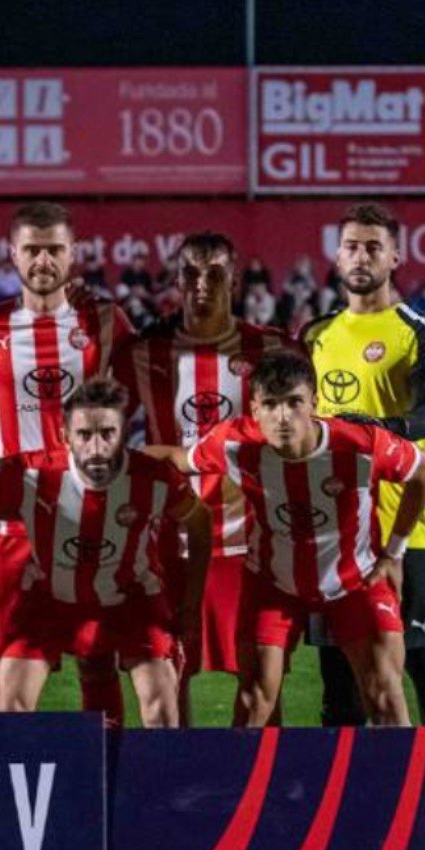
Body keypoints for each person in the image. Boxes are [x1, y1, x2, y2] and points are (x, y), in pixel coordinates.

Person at [0, 379, 208, 725]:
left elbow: (199, 520)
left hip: (130, 600)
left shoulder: (152, 477)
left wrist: (191, 602)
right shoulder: (35, 472)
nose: (97, 447)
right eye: (85, 434)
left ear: (124, 434)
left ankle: (152, 778)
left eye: (108, 433)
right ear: (64, 435)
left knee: (161, 706)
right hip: (50, 601)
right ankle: (21, 777)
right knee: (12, 699)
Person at [152, 352, 425, 727]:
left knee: (384, 696)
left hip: (356, 580)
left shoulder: (360, 445)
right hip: (273, 583)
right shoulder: (234, 443)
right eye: (270, 404)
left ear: (314, 403)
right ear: (254, 408)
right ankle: (249, 784)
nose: (282, 416)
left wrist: (394, 552)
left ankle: (401, 784)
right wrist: (112, 461)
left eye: (294, 403)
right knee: (254, 700)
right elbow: (178, 458)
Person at [0, 202, 133, 720]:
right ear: (12, 255)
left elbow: (144, 396)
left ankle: (105, 785)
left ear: (73, 254)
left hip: (89, 515)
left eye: (54, 250)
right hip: (11, 521)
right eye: (32, 250)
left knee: (98, 659)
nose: (43, 260)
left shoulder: (106, 322)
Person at [115, 232, 302, 724]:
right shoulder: (143, 352)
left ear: (234, 280)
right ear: (176, 281)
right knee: (169, 682)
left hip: (251, 546)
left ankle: (266, 787)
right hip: (165, 544)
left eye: (215, 274)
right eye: (191, 274)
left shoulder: (271, 349)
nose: (202, 285)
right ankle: (177, 788)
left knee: (262, 687)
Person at [300, 203, 425, 727]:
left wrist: (363, 430)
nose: (361, 255)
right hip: (335, 530)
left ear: (396, 256)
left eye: (373, 246)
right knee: (338, 675)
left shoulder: (421, 334)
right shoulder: (313, 336)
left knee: (422, 658)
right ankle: (343, 797)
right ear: (336, 254)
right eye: (351, 245)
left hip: (404, 527)